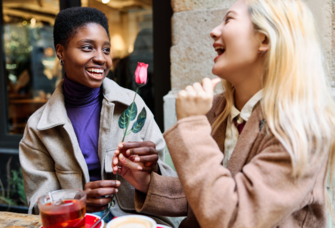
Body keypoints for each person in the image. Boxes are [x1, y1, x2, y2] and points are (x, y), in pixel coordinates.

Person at [113, 0, 335, 227]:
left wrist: (191, 124)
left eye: (228, 19)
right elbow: (210, 193)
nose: (213, 31)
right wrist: (148, 184)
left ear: (265, 39)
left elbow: (232, 216)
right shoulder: (216, 110)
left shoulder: (301, 128)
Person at [19, 7, 181, 227]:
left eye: (106, 49)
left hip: (139, 222)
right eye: (87, 48)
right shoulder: (39, 127)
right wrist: (77, 201)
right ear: (61, 52)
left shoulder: (133, 106)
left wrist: (153, 168)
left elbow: (170, 185)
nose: (101, 58)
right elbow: (39, 205)